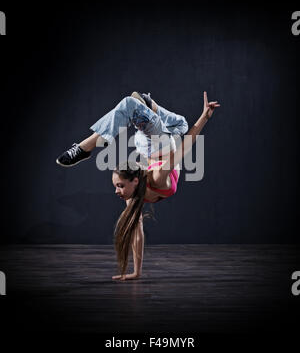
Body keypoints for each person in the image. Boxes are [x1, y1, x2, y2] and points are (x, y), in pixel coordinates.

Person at [56, 91, 220, 280]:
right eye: (118, 186)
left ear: (135, 180)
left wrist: (203, 118)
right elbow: (137, 232)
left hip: (155, 143)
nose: (116, 191)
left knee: (130, 104)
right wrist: (136, 272)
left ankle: (85, 147)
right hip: (169, 135)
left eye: (118, 186)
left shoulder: (143, 185)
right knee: (177, 122)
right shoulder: (155, 180)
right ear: (135, 182)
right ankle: (148, 103)